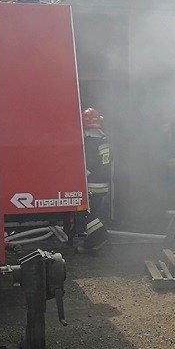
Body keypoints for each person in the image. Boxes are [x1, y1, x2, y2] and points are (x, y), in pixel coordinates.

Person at [71, 107, 110, 253]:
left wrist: (80, 176)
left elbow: (89, 164)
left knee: (87, 214)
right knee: (93, 213)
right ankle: (92, 243)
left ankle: (101, 237)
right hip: (102, 183)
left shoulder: (89, 141)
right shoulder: (103, 139)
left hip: (92, 184)